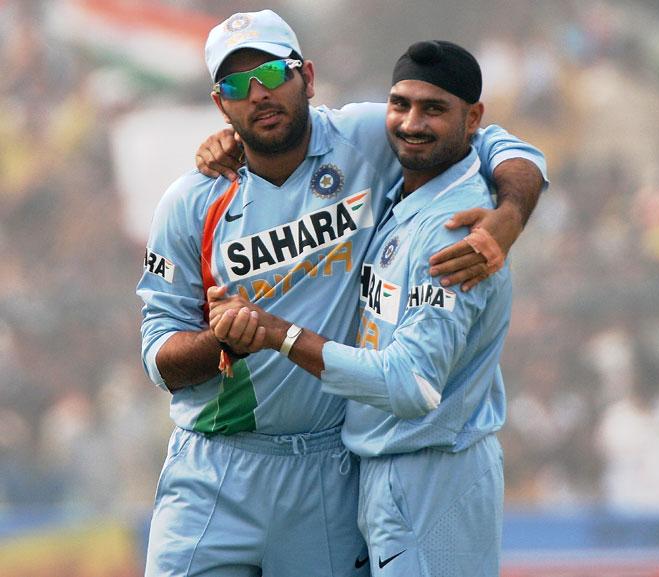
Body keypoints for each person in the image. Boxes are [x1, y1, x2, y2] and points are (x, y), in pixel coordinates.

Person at [137, 9, 547, 577]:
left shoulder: (368, 134)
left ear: (307, 75)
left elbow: (495, 138)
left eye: (274, 74)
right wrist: (223, 343)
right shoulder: (189, 201)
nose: (259, 94)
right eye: (236, 84)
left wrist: (510, 215)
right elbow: (158, 357)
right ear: (220, 105)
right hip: (215, 467)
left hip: (329, 471)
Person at [210, 39, 511, 577]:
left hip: (434, 477)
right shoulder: (403, 194)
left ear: (474, 120)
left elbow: (411, 386)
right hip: (384, 476)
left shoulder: (457, 232)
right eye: (401, 105)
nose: (411, 123)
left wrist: (280, 335)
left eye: (434, 109)